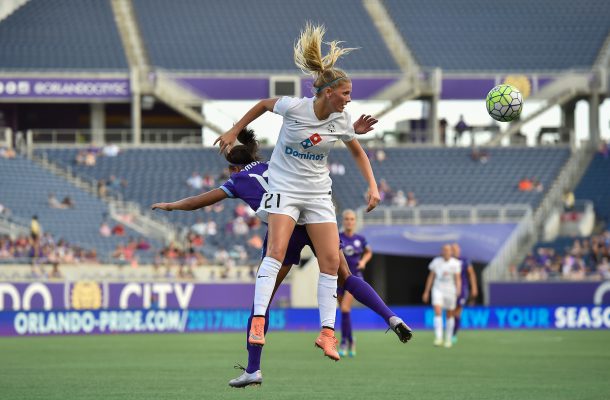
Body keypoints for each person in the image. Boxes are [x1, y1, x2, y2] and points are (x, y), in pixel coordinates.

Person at [152, 127, 411, 388]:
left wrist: (172, 206)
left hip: (284, 228)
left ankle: (253, 368)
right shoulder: (274, 164)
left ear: (233, 168)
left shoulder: (237, 180)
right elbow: (310, 142)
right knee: (345, 276)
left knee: (262, 303)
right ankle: (390, 317)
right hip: (314, 217)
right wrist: (351, 130)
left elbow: (200, 200)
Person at [214, 23, 381, 362]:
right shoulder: (294, 107)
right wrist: (233, 129)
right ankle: (258, 322)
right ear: (328, 92)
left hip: (317, 195)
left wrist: (373, 185)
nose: (349, 99)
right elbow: (262, 104)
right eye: (346, 93)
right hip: (285, 189)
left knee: (332, 263)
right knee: (275, 252)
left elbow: (356, 150)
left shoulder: (342, 118)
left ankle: (327, 334)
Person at [337, 209, 372, 357]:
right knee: (345, 312)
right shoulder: (337, 237)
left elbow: (369, 251)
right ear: (343, 221)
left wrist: (363, 261)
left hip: (355, 277)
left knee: (345, 308)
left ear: (355, 221)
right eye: (347, 219)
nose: (349, 221)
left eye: (352, 219)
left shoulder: (361, 239)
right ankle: (351, 339)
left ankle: (344, 341)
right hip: (339, 279)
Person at [422, 244, 461, 348]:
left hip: (450, 290)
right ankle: (438, 338)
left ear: (451, 252)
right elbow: (431, 277)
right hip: (438, 288)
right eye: (444, 250)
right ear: (442, 252)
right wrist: (426, 291)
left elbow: (458, 278)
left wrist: (458, 290)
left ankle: (448, 339)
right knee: (437, 311)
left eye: (448, 250)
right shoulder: (436, 262)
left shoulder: (456, 263)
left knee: (449, 314)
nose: (446, 252)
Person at [451, 243, 478, 344]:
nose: (454, 251)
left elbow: (471, 274)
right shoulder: (449, 261)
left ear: (459, 250)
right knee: (451, 312)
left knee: (457, 312)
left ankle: (453, 334)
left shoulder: (465, 260)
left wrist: (474, 287)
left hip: (462, 289)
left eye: (456, 249)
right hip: (449, 289)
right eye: (453, 249)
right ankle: (450, 331)